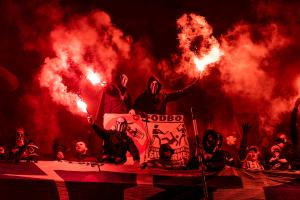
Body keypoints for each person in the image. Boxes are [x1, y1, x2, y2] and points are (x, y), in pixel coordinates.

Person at [133, 76, 198, 114]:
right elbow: (134, 107)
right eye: (152, 84)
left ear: (158, 87)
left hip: (160, 126)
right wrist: (133, 111)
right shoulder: (143, 96)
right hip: (146, 126)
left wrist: (194, 85)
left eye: (156, 85)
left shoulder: (163, 96)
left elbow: (180, 93)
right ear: (149, 86)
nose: (154, 86)